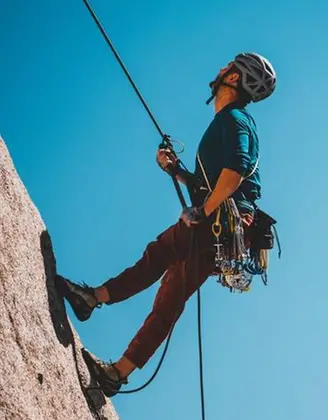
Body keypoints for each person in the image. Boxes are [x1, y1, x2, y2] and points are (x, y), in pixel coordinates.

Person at [56, 52, 277, 397]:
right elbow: (215, 181)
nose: (220, 69)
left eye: (227, 67)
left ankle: (91, 298)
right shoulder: (230, 120)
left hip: (218, 221)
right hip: (228, 231)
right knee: (170, 297)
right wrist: (174, 170)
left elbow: (235, 173)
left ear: (233, 79)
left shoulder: (234, 119)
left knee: (158, 254)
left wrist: (202, 211)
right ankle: (117, 373)